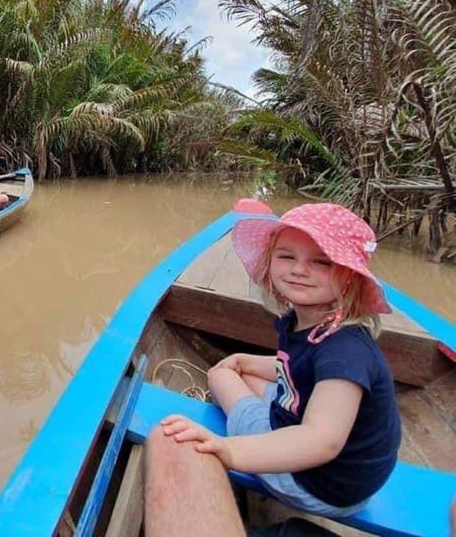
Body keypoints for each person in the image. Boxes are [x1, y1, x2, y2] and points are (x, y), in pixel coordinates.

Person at [153, 202, 400, 519]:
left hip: (318, 485)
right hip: (340, 477)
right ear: (270, 261)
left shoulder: (345, 353)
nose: (299, 269)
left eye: (321, 262)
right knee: (243, 371)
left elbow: (320, 441)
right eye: (287, 257)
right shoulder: (312, 324)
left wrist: (230, 450)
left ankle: (244, 427)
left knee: (220, 375)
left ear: (350, 277)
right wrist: (243, 359)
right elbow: (296, 368)